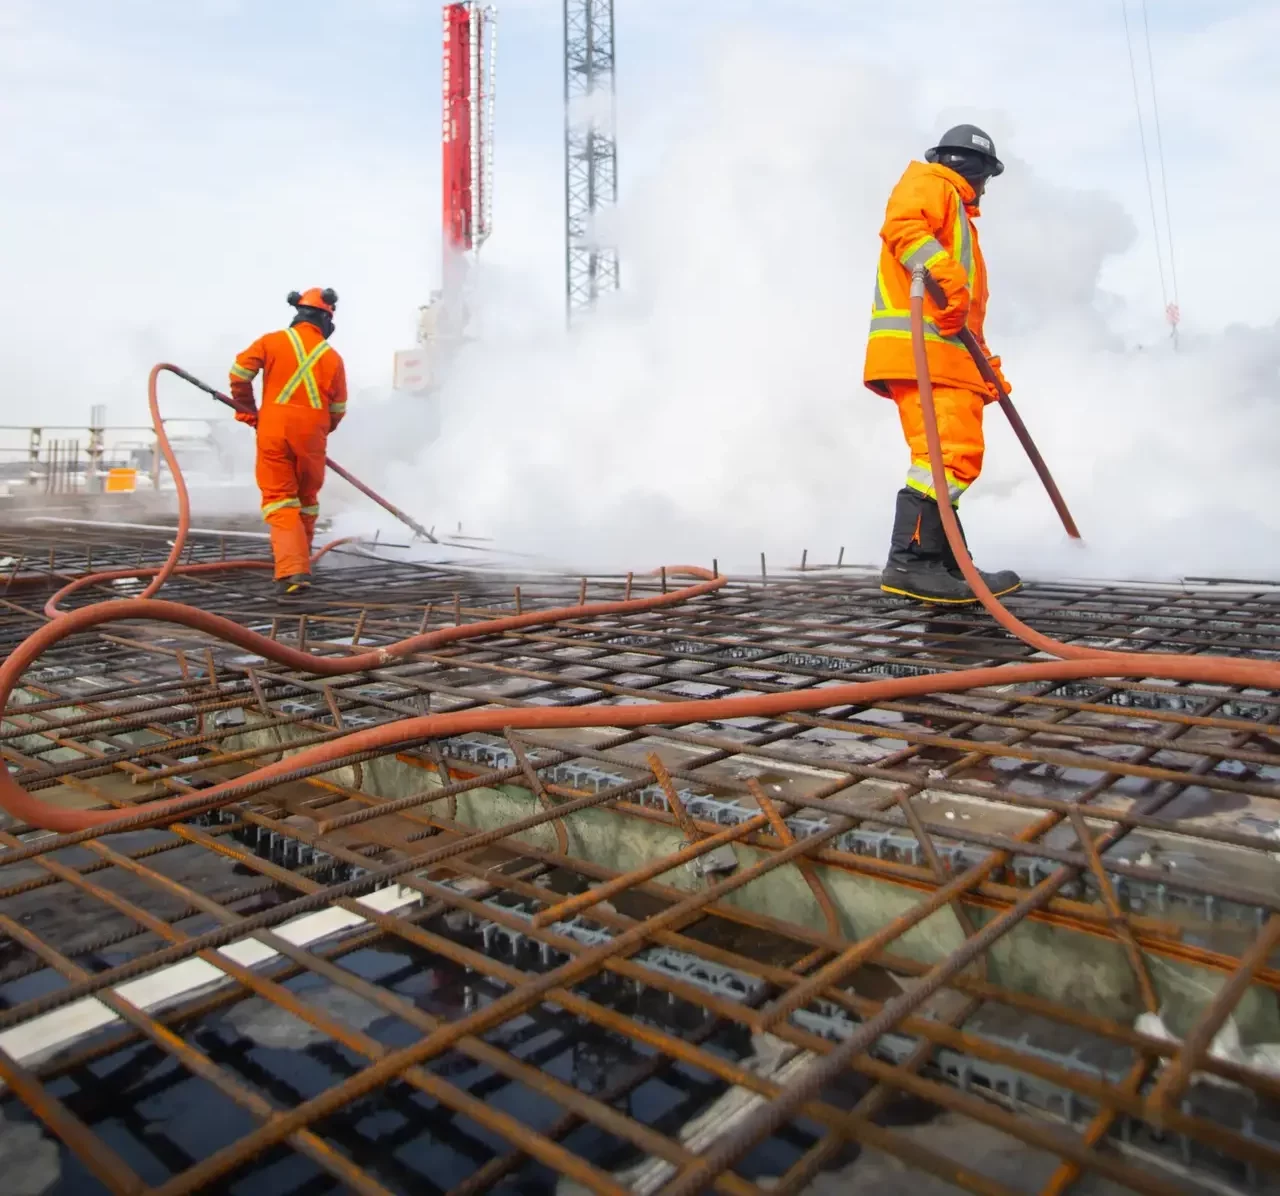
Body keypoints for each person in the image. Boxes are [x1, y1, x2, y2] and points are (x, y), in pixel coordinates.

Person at [864, 124, 1021, 604]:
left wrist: (987, 370)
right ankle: (911, 562)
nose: (985, 189)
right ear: (975, 170)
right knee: (946, 458)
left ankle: (949, 562)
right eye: (986, 178)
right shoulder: (931, 184)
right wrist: (946, 278)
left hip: (945, 359)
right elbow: (904, 229)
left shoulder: (956, 216)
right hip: (922, 354)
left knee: (956, 456)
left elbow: (963, 318)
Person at [229, 288, 347, 597]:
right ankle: (300, 564)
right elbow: (337, 410)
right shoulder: (332, 357)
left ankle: (293, 570)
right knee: (306, 501)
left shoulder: (272, 341)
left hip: (274, 430)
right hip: (312, 437)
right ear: (326, 320)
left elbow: (240, 373)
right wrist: (316, 431)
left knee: (280, 500)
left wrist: (248, 411)